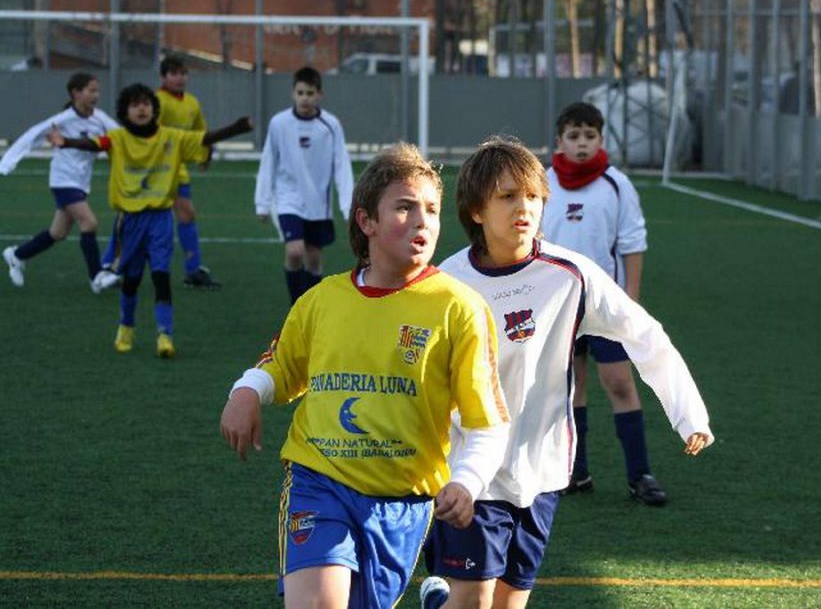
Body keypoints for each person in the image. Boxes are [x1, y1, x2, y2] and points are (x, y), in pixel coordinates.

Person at [420, 137, 713, 609]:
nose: (524, 208)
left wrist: (688, 413)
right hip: (469, 470)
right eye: (507, 196)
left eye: (533, 196)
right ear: (476, 210)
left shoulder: (572, 274)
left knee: (508, 605)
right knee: (474, 602)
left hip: (542, 470)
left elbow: (645, 334)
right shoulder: (447, 285)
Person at [219, 144, 512, 609]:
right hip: (320, 480)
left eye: (432, 210)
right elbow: (283, 366)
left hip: (404, 501)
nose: (423, 221)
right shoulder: (323, 299)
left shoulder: (459, 307)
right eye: (404, 207)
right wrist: (246, 391)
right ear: (366, 221)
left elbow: (487, 420)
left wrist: (468, 480)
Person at [46, 83, 251, 357]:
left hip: (161, 220)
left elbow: (204, 138)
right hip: (130, 221)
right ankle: (126, 326)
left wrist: (237, 128)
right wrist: (67, 142)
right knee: (131, 280)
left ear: (154, 109)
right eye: (134, 104)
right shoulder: (117, 138)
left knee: (161, 276)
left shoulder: (172, 137)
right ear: (125, 111)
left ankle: (164, 335)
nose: (141, 108)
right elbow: (94, 144)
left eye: (146, 103)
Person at [540, 101, 667, 506]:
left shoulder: (616, 184)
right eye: (574, 137)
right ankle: (575, 472)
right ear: (559, 141)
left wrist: (630, 298)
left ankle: (640, 474)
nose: (582, 144)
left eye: (589, 136)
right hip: (560, 304)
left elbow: (633, 241)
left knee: (619, 383)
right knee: (570, 386)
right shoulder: (544, 182)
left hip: (605, 305)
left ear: (601, 140)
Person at [100, 54, 220, 289]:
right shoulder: (156, 101)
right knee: (131, 215)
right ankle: (109, 264)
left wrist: (207, 154)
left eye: (183, 73)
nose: (179, 78)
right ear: (163, 76)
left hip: (175, 169)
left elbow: (201, 133)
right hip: (152, 171)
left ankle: (193, 270)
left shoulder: (192, 103)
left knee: (186, 214)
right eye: (173, 73)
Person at [1, 72, 121, 292]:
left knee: (58, 233)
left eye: (97, 90)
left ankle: (17, 255)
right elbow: (32, 134)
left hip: (81, 182)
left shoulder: (100, 118)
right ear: (76, 93)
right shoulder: (63, 119)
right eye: (91, 90)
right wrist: (7, 163)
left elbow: (121, 137)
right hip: (63, 180)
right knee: (89, 223)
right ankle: (96, 277)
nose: (96, 95)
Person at [255, 66, 354, 303]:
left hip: (318, 203)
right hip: (288, 199)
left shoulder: (330, 126)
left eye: (310, 93)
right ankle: (295, 309)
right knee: (295, 251)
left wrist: (347, 204)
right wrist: (262, 202)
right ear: (293, 93)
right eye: (300, 93)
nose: (305, 98)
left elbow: (341, 165)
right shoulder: (279, 123)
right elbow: (268, 161)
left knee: (313, 259)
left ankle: (309, 309)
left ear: (319, 95)